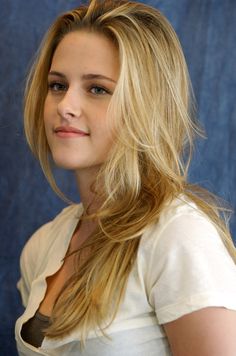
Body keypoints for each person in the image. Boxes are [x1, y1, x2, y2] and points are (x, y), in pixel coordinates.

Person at [15, 0, 236, 355]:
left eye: (97, 89)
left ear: (145, 105)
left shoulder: (177, 238)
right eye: (57, 85)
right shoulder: (42, 248)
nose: (65, 106)